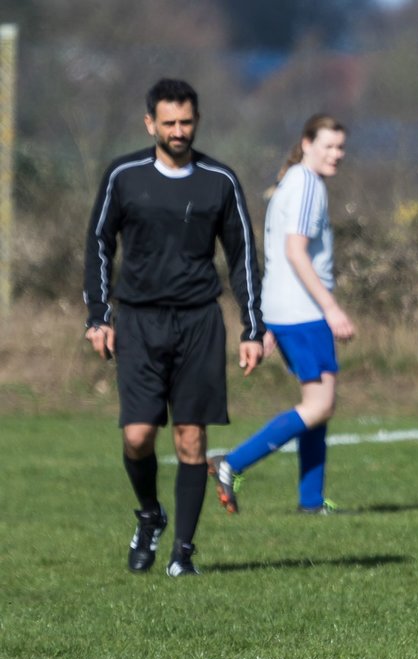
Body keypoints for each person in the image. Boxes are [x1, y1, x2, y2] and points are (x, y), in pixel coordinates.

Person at [83, 78, 264, 577]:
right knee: (139, 436)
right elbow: (100, 243)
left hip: (199, 322)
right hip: (138, 320)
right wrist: (98, 317)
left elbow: (243, 255)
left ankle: (183, 553)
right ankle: (149, 515)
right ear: (150, 124)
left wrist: (253, 328)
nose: (179, 131)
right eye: (169, 123)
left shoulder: (219, 181)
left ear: (197, 121)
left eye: (186, 122)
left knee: (190, 440)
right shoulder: (124, 175)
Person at [207, 114, 352, 515]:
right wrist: (331, 308)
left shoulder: (292, 182)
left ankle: (310, 501)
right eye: (328, 145)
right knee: (320, 405)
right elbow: (294, 251)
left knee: (316, 406)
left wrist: (267, 321)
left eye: (341, 147)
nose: (336, 154)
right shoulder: (306, 183)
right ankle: (231, 463)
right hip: (304, 313)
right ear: (306, 143)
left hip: (287, 311)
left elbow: (276, 258)